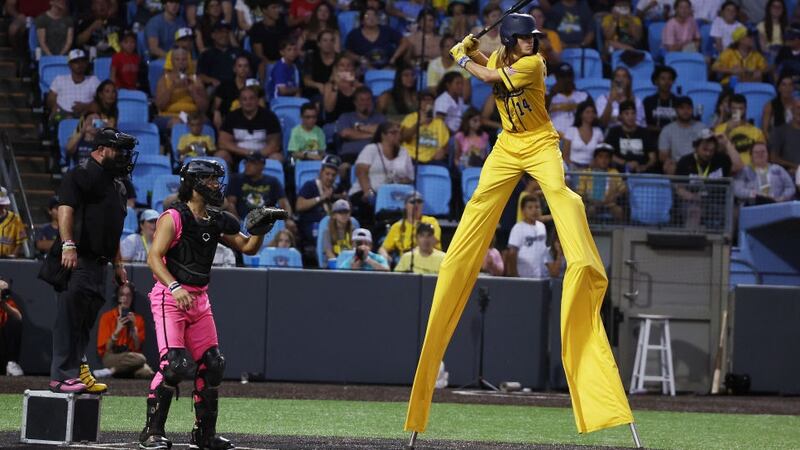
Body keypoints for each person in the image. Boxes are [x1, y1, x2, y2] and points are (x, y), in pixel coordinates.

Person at [406, 15, 634, 438]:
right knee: (478, 204)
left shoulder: (534, 64)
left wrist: (462, 59)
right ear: (512, 39)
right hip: (507, 146)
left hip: (541, 142)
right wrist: (470, 48)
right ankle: (459, 257)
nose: (533, 42)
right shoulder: (502, 53)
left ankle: (580, 251)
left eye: (533, 38)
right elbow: (488, 61)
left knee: (562, 196)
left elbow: (491, 74)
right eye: (526, 38)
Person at [138, 159, 281, 450]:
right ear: (194, 183)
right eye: (212, 179)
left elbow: (247, 248)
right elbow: (153, 257)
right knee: (174, 365)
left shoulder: (218, 217)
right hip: (170, 297)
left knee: (214, 365)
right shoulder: (173, 217)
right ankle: (152, 433)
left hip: (199, 298)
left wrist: (262, 228)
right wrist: (175, 287)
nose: (217, 184)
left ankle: (203, 436)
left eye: (218, 179)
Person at [50, 128, 137, 394]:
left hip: (101, 264)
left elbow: (114, 229)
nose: (123, 156)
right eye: (118, 150)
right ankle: (61, 376)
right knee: (69, 318)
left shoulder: (118, 185)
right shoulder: (81, 173)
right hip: (78, 259)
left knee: (85, 322)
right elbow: (66, 208)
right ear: (100, 149)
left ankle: (77, 371)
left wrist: (118, 264)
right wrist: (68, 245)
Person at [348, 122, 415, 223]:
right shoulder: (371, 149)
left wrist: (401, 181)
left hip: (393, 194)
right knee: (368, 206)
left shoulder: (403, 152)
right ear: (383, 135)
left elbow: (410, 178)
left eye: (398, 133)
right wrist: (368, 192)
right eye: (393, 133)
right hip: (368, 192)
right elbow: (361, 172)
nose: (397, 136)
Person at [226, 154, 296, 236]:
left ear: (261, 166)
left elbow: (284, 203)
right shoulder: (236, 179)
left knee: (291, 226)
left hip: (266, 221)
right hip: (242, 220)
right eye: (246, 162)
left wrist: (288, 220)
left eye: (252, 163)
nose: (247, 165)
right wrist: (237, 222)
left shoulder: (273, 182)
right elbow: (231, 204)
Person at [95, 282, 154, 379]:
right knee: (141, 359)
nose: (125, 298)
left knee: (147, 372)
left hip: (131, 357)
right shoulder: (107, 317)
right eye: (122, 294)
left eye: (128, 295)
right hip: (113, 357)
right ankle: (121, 370)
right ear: (118, 297)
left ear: (132, 297)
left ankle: (112, 371)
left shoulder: (138, 319)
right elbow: (107, 349)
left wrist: (133, 328)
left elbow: (137, 347)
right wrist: (117, 330)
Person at [218, 85, 283, 164]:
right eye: (244, 99)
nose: (248, 102)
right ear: (240, 102)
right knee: (220, 155)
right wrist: (247, 152)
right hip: (237, 155)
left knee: (277, 157)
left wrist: (257, 155)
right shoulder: (232, 117)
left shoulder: (269, 117)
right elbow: (223, 142)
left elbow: (275, 144)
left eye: (251, 98)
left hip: (262, 156)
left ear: (257, 100)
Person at [154, 48, 209, 132]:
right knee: (178, 123)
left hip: (193, 116)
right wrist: (173, 87)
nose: (181, 62)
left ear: (188, 62)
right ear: (172, 62)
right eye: (177, 59)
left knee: (204, 123)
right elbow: (160, 105)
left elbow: (204, 107)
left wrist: (193, 92)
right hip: (170, 116)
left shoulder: (196, 80)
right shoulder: (164, 79)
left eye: (184, 59)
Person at [378, 191, 442, 262]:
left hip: (429, 258)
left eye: (419, 201)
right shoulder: (397, 226)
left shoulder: (431, 221)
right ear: (405, 205)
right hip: (406, 261)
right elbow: (383, 248)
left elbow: (434, 240)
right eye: (412, 202)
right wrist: (385, 257)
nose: (416, 204)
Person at [296, 154, 343, 243]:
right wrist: (321, 198)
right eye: (327, 174)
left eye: (333, 175)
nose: (330, 178)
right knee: (325, 236)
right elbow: (299, 205)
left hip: (335, 225)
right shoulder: (310, 185)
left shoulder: (338, 189)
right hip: (313, 224)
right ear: (321, 172)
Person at [605, 100, 659, 174]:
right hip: (619, 173)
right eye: (626, 114)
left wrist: (644, 167)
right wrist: (626, 163)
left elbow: (652, 158)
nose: (630, 117)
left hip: (642, 173)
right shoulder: (614, 132)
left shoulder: (644, 132)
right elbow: (608, 154)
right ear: (620, 116)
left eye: (633, 113)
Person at [575, 144, 625, 222]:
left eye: (607, 157)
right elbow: (580, 193)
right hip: (592, 204)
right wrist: (591, 200)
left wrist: (614, 197)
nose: (604, 160)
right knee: (590, 210)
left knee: (619, 211)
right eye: (600, 157)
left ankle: (619, 232)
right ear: (595, 159)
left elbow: (623, 189)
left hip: (610, 203)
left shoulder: (614, 172)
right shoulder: (586, 173)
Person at [335, 87, 386, 162]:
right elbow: (346, 133)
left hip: (375, 155)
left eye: (368, 99)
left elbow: (384, 131)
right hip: (351, 154)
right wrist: (372, 135)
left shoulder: (379, 117)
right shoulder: (346, 117)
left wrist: (360, 129)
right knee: (345, 168)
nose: (365, 103)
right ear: (355, 102)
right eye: (362, 100)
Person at [399, 89, 450, 165]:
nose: (427, 102)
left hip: (432, 160)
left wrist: (443, 151)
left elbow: (445, 146)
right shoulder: (410, 118)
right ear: (419, 103)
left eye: (430, 100)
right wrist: (419, 124)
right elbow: (403, 137)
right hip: (411, 158)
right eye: (423, 100)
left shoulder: (439, 123)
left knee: (442, 168)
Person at [47, 49, 101, 121]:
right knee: (55, 117)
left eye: (82, 61)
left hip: (86, 116)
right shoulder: (59, 79)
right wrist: (58, 110)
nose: (80, 64)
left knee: (100, 123)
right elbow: (51, 99)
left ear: (86, 63)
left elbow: (101, 102)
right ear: (69, 64)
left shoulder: (94, 80)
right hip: (61, 115)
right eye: (76, 62)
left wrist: (86, 107)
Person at [713, 94, 766, 166]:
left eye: (740, 108)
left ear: (745, 109)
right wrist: (728, 131)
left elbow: (762, 154)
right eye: (734, 108)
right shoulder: (719, 129)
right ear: (729, 109)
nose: (737, 111)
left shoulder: (756, 131)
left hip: (750, 170)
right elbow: (717, 152)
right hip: (730, 169)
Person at [658, 96, 706, 175]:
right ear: (676, 110)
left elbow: (708, 148)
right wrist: (671, 161)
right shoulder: (667, 130)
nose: (685, 111)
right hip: (677, 164)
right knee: (669, 166)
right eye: (682, 108)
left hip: (698, 163)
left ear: (692, 110)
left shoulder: (702, 128)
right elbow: (662, 155)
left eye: (688, 108)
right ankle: (677, 187)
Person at [506, 195, 550, 279]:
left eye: (537, 207)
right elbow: (512, 253)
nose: (534, 210)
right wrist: (515, 275)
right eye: (530, 208)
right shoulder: (518, 228)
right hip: (524, 277)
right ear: (523, 211)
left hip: (542, 276)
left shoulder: (542, 227)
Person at [197, 22, 248, 89]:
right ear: (213, 35)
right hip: (216, 88)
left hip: (238, 86)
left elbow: (256, 64)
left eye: (226, 32)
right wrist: (211, 80)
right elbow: (200, 75)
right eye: (220, 32)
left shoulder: (238, 52)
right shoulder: (206, 54)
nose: (224, 35)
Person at [212, 56, 253, 128]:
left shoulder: (254, 85)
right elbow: (216, 106)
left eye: (246, 66)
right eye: (240, 66)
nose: (243, 69)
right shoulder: (225, 85)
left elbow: (261, 106)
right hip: (230, 122)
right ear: (234, 69)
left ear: (249, 69)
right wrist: (216, 112)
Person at [547, 62, 588, 135]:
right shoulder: (548, 97)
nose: (566, 80)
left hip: (577, 137)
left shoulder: (583, 95)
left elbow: (592, 116)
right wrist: (552, 93)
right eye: (562, 77)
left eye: (569, 76)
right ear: (556, 79)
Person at [562, 100, 603, 170]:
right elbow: (565, 155)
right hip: (572, 168)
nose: (590, 115)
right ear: (581, 114)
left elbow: (601, 154)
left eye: (592, 112)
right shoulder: (571, 130)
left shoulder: (598, 132)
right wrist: (573, 168)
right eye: (587, 112)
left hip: (592, 169)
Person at [250, 0, 292, 69]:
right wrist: (274, 64)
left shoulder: (282, 25)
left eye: (278, 7)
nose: (277, 10)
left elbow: (288, 45)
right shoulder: (257, 29)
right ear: (264, 10)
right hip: (268, 66)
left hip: (285, 62)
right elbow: (260, 55)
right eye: (274, 8)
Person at [322, 55, 362, 124]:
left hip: (355, 124)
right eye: (342, 65)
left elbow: (364, 110)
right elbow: (329, 109)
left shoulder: (359, 86)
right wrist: (336, 85)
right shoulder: (329, 86)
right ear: (336, 69)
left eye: (349, 65)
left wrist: (356, 88)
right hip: (334, 124)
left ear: (353, 68)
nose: (346, 68)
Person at [302, 29, 339, 99]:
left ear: (334, 43)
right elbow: (306, 80)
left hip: (334, 93)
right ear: (319, 44)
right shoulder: (311, 57)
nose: (328, 43)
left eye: (331, 40)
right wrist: (319, 85)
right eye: (325, 40)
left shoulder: (339, 59)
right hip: (314, 94)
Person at [643, 66, 678, 133]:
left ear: (673, 81)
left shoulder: (679, 102)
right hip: (653, 139)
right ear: (656, 81)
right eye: (663, 79)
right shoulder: (648, 101)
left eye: (670, 79)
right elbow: (643, 125)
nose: (666, 82)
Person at [768, 101, 800, 173]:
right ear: (792, 110)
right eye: (798, 108)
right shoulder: (779, 131)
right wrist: (796, 166)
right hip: (787, 175)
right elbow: (773, 158)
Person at [0, 278, 23, 376]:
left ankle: (12, 363)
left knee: (14, 321)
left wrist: (2, 303)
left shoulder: (6, 300)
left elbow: (18, 317)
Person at [761, 75, 795, 139]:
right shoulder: (770, 106)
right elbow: (764, 130)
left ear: (793, 88)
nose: (787, 88)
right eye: (784, 85)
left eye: (790, 85)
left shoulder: (797, 105)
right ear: (779, 88)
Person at [0, 187, 26, 258]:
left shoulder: (15, 218)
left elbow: (20, 242)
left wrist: (13, 256)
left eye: (1, 204)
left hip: (8, 259)